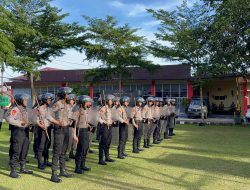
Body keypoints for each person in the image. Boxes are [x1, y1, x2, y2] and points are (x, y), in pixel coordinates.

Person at [6, 93, 33, 178]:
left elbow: (28, 120)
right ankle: (13, 171)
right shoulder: (15, 109)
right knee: (16, 151)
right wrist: (20, 122)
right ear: (20, 100)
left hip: (25, 132)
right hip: (17, 133)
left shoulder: (25, 109)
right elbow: (9, 119)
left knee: (24, 150)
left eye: (27, 100)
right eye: (25, 100)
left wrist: (30, 124)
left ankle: (23, 167)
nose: (27, 101)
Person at [50, 87, 73, 183]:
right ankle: (53, 174)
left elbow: (70, 115)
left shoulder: (68, 105)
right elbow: (48, 115)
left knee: (64, 151)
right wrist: (57, 122)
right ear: (63, 94)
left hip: (66, 129)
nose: (69, 96)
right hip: (59, 130)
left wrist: (70, 120)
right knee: (57, 152)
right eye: (67, 94)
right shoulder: (57, 104)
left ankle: (62, 170)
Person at [36, 93, 60, 170]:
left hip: (49, 128)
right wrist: (41, 125)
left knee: (47, 145)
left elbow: (51, 118)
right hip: (42, 129)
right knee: (41, 147)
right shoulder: (39, 108)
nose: (50, 101)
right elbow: (35, 120)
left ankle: (46, 161)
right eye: (49, 100)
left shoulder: (49, 109)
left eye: (51, 100)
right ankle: (40, 163)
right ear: (44, 100)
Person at [71, 95, 93, 174]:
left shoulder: (85, 109)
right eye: (87, 101)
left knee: (86, 148)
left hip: (86, 130)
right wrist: (74, 135)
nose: (89, 103)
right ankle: (77, 167)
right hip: (80, 131)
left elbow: (86, 121)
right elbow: (73, 123)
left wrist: (89, 126)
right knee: (80, 149)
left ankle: (83, 165)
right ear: (83, 102)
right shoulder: (77, 110)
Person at [98, 94, 115, 165]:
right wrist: (104, 122)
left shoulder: (111, 108)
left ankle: (107, 157)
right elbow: (98, 117)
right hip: (104, 127)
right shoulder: (103, 108)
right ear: (107, 101)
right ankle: (100, 159)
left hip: (110, 126)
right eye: (110, 100)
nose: (111, 102)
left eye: (112, 101)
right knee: (102, 143)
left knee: (108, 142)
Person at [66, 94, 77, 160]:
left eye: (73, 100)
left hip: (74, 124)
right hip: (69, 125)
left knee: (73, 141)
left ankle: (71, 153)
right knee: (69, 141)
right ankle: (66, 154)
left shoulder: (74, 107)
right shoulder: (67, 107)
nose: (73, 101)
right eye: (72, 100)